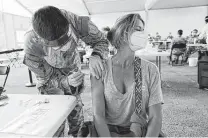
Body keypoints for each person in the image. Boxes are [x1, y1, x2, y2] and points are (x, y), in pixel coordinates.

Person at [23, 6, 108, 137]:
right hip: (49, 78)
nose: (63, 49)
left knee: (76, 109)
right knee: (53, 120)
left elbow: (101, 41)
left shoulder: (77, 22)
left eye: (65, 41)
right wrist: (64, 81)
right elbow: (45, 80)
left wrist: (96, 55)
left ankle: (78, 133)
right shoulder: (31, 44)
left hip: (72, 68)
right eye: (56, 46)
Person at [91, 14, 164, 137]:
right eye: (138, 29)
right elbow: (98, 116)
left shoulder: (150, 70)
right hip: (108, 132)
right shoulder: (101, 68)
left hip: (137, 131)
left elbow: (155, 117)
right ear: (123, 33)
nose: (143, 34)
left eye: (143, 29)